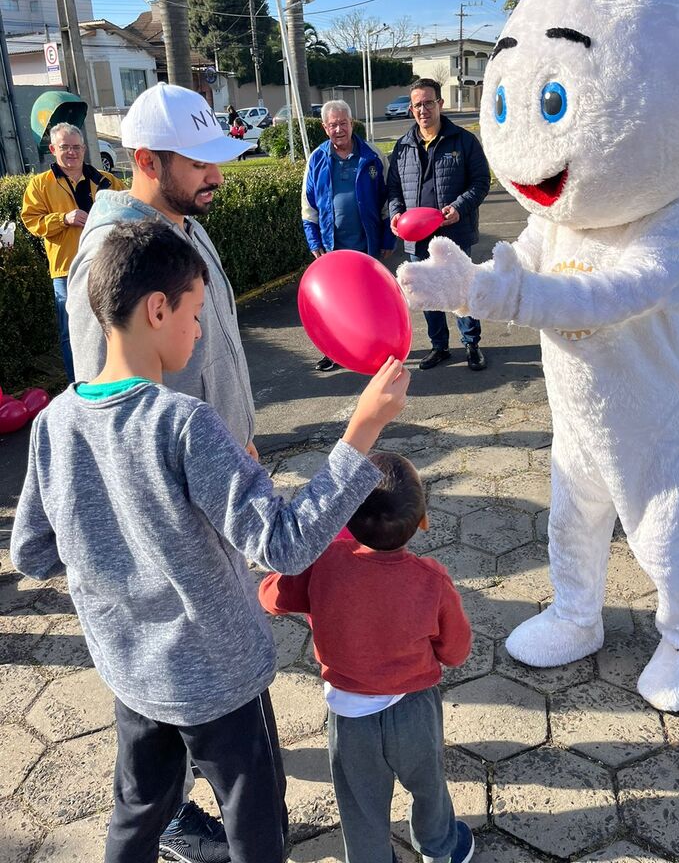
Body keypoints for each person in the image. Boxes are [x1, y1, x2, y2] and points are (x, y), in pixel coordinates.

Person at [11, 219, 410, 863]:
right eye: (195, 313)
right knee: (255, 826)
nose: (200, 332)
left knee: (139, 810)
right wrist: (360, 431)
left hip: (132, 672)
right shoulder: (184, 424)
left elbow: (31, 551)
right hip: (217, 679)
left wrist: (122, 536)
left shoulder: (55, 421)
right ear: (158, 308)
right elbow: (284, 544)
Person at [66, 82, 259, 859]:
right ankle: (170, 813)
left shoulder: (179, 223)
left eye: (218, 158)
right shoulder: (111, 264)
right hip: (174, 509)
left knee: (190, 673)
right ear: (144, 160)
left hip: (214, 478)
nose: (217, 175)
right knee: (171, 667)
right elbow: (105, 408)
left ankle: (165, 798)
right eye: (200, 161)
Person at [259, 451, 474, 863]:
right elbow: (456, 651)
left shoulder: (322, 564)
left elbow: (270, 598)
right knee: (429, 782)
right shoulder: (432, 579)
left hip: (350, 716)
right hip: (414, 709)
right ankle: (440, 848)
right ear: (423, 521)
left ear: (343, 520)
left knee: (360, 806)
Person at [388, 78, 490, 372]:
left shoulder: (463, 140)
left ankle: (472, 345)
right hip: (416, 238)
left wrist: (459, 207)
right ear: (411, 109)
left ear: (440, 104)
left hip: (454, 234)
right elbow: (393, 188)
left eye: (428, 103)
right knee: (427, 293)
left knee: (461, 290)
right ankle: (439, 347)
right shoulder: (403, 146)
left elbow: (481, 182)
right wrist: (396, 213)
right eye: (417, 104)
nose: (423, 110)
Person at [20, 122, 123, 383]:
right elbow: (32, 221)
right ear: (53, 149)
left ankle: (114, 381)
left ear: (84, 149)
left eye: (76, 147)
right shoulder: (40, 185)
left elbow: (129, 205)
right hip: (66, 271)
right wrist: (62, 219)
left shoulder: (105, 180)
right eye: (65, 147)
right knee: (72, 333)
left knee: (116, 326)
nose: (71, 152)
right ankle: (78, 387)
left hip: (107, 266)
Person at [302, 99, 396, 372]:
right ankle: (334, 353)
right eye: (333, 125)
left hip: (367, 245)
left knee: (370, 301)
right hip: (333, 249)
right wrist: (314, 240)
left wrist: (388, 238)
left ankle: (375, 350)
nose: (339, 129)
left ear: (352, 123)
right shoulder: (317, 159)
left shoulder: (372, 155)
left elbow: (387, 200)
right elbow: (308, 206)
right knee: (334, 305)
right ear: (324, 127)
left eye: (343, 123)